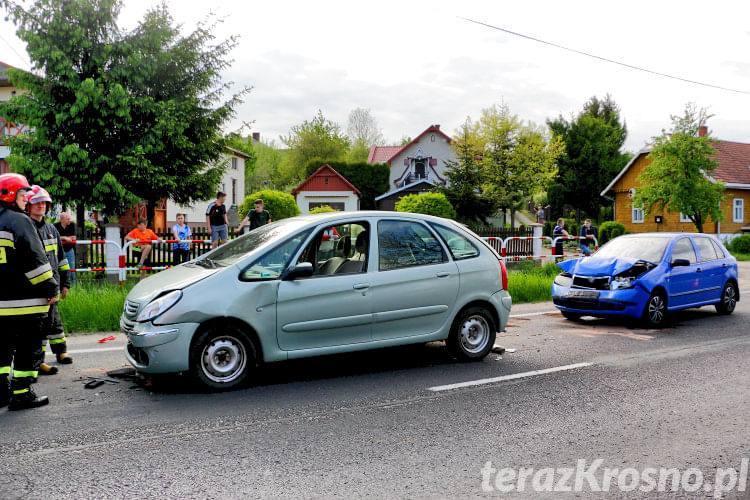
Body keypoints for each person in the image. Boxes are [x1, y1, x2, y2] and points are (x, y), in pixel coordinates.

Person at [0, 173, 58, 410]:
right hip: (25, 303)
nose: (26, 198)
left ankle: (1, 392)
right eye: (23, 193)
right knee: (27, 347)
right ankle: (21, 394)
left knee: (1, 350)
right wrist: (51, 287)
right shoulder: (20, 221)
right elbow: (36, 262)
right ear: (11, 195)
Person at [27, 186, 73, 376]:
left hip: (52, 285)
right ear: (28, 205)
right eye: (36, 202)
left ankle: (61, 352)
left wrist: (65, 283)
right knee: (41, 325)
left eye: (44, 203)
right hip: (36, 288)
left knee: (55, 322)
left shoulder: (51, 228)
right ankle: (39, 362)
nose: (41, 206)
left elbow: (61, 259)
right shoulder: (26, 227)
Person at [54, 212, 76, 282]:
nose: (69, 220)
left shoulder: (72, 225)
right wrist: (65, 238)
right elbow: (53, 237)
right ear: (62, 220)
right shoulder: (55, 226)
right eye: (67, 219)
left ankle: (73, 287)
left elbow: (74, 238)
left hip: (69, 250)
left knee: (71, 270)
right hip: (59, 251)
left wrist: (60, 237)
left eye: (69, 219)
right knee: (58, 270)